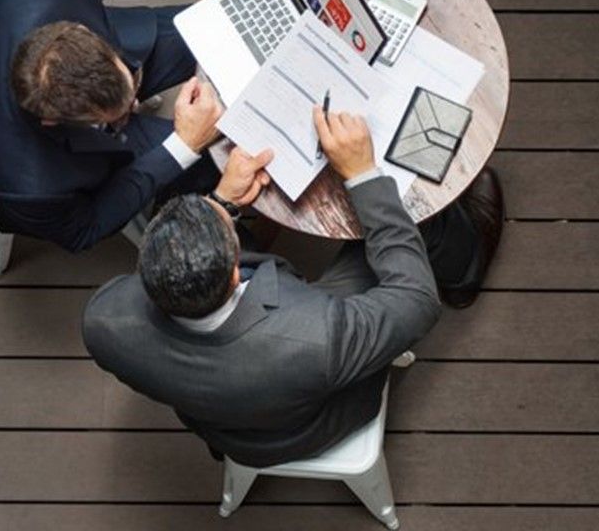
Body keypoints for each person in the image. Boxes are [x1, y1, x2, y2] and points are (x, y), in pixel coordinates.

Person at [83, 106, 503, 466]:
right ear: (234, 273)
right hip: (310, 421)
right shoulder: (316, 337)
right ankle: (464, 271)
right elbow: (415, 301)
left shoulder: (103, 320)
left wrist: (223, 201)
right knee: (412, 229)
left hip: (228, 427)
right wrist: (362, 176)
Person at [0, 0, 282, 251]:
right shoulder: (30, 187)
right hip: (91, 158)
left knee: (223, 26)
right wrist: (184, 146)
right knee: (212, 160)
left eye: (130, 89)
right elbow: (86, 228)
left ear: (81, 30)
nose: (136, 103)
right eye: (122, 109)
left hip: (126, 43)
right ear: (50, 121)